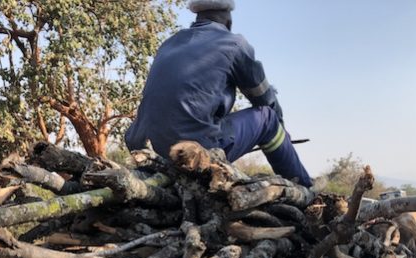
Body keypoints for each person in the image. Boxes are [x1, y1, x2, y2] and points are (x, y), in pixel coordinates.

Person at [125, 0, 312, 187]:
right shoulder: (234, 43)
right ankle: (304, 187)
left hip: (144, 147)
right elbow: (263, 97)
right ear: (228, 20)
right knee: (268, 118)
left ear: (197, 16)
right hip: (194, 151)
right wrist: (281, 130)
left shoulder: (168, 43)